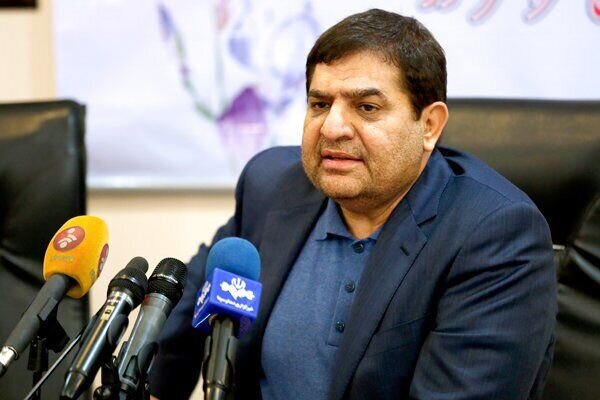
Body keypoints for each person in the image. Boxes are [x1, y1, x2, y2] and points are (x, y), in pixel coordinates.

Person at [149, 9, 556, 400]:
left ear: (429, 125)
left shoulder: (495, 236)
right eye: (320, 104)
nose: (332, 128)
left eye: (366, 108)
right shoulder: (272, 186)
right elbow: (182, 317)